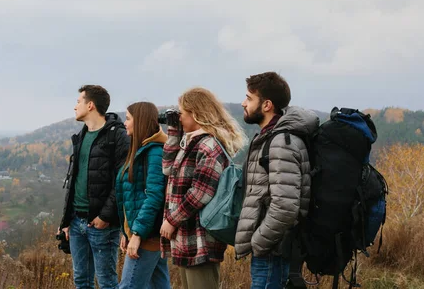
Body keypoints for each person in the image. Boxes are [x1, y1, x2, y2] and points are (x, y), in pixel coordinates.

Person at [234, 72, 319, 289]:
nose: (243, 103)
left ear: (267, 105)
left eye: (249, 98)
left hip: (272, 250)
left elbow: (286, 205)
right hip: (272, 248)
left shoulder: (281, 141)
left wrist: (258, 242)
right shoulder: (270, 137)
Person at [160, 87, 247, 289]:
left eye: (182, 113)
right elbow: (167, 169)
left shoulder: (208, 145)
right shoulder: (191, 142)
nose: (179, 117)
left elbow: (201, 192)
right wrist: (173, 133)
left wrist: (171, 220)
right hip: (187, 237)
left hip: (200, 239)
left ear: (196, 114)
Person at [58, 85, 130, 289]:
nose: (74, 107)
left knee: (107, 282)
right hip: (76, 222)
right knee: (81, 280)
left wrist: (105, 217)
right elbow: (74, 180)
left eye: (78, 102)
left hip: (101, 224)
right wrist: (66, 220)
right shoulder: (81, 136)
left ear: (90, 105)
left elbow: (122, 180)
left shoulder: (117, 135)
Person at [115, 102, 170, 289]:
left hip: (147, 236)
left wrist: (137, 234)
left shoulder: (154, 152)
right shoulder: (142, 150)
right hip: (145, 232)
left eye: (128, 118)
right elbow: (132, 197)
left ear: (140, 122)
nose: (125, 123)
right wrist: (127, 231)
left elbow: (154, 196)